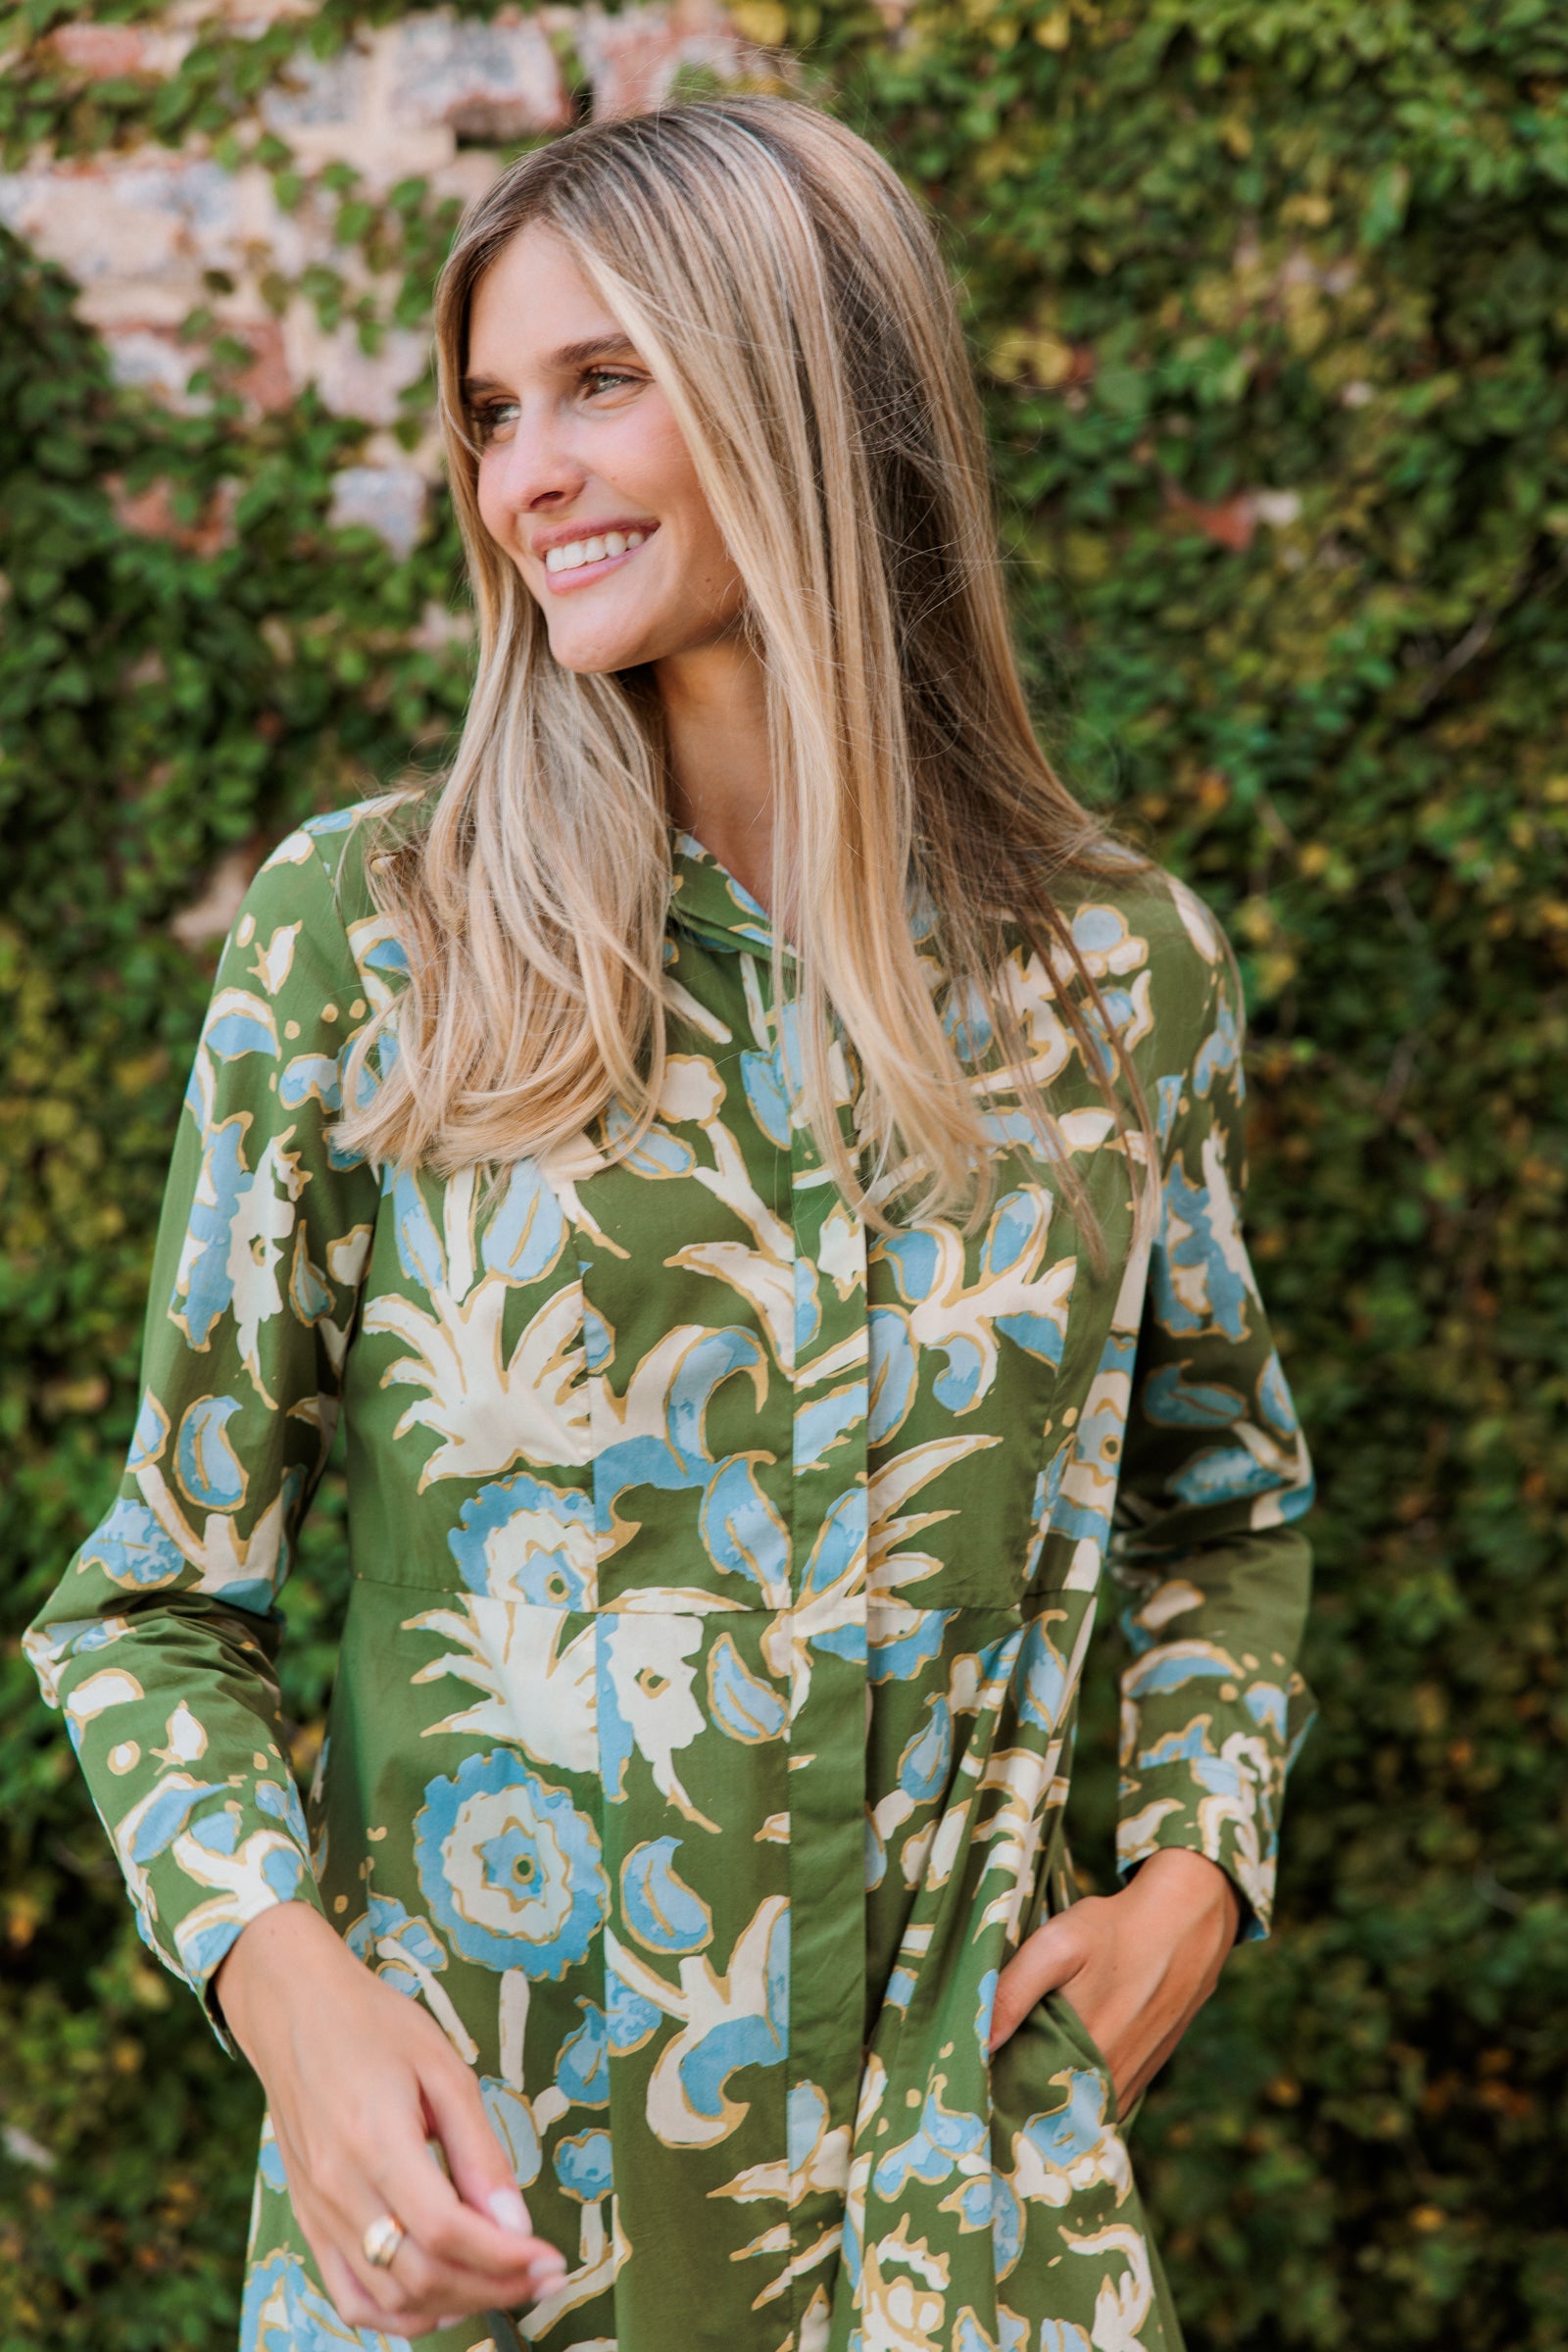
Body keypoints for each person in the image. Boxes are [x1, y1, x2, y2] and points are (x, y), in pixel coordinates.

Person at [25, 94, 1314, 2352]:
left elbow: (1228, 1504)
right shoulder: (371, 947)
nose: (521, 473)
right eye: (490, 413)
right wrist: (284, 1993)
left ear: (811, 383)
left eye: (598, 382)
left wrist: (1194, 1870)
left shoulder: (1115, 984)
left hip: (960, 2248)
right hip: (482, 2247)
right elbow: (150, 1608)